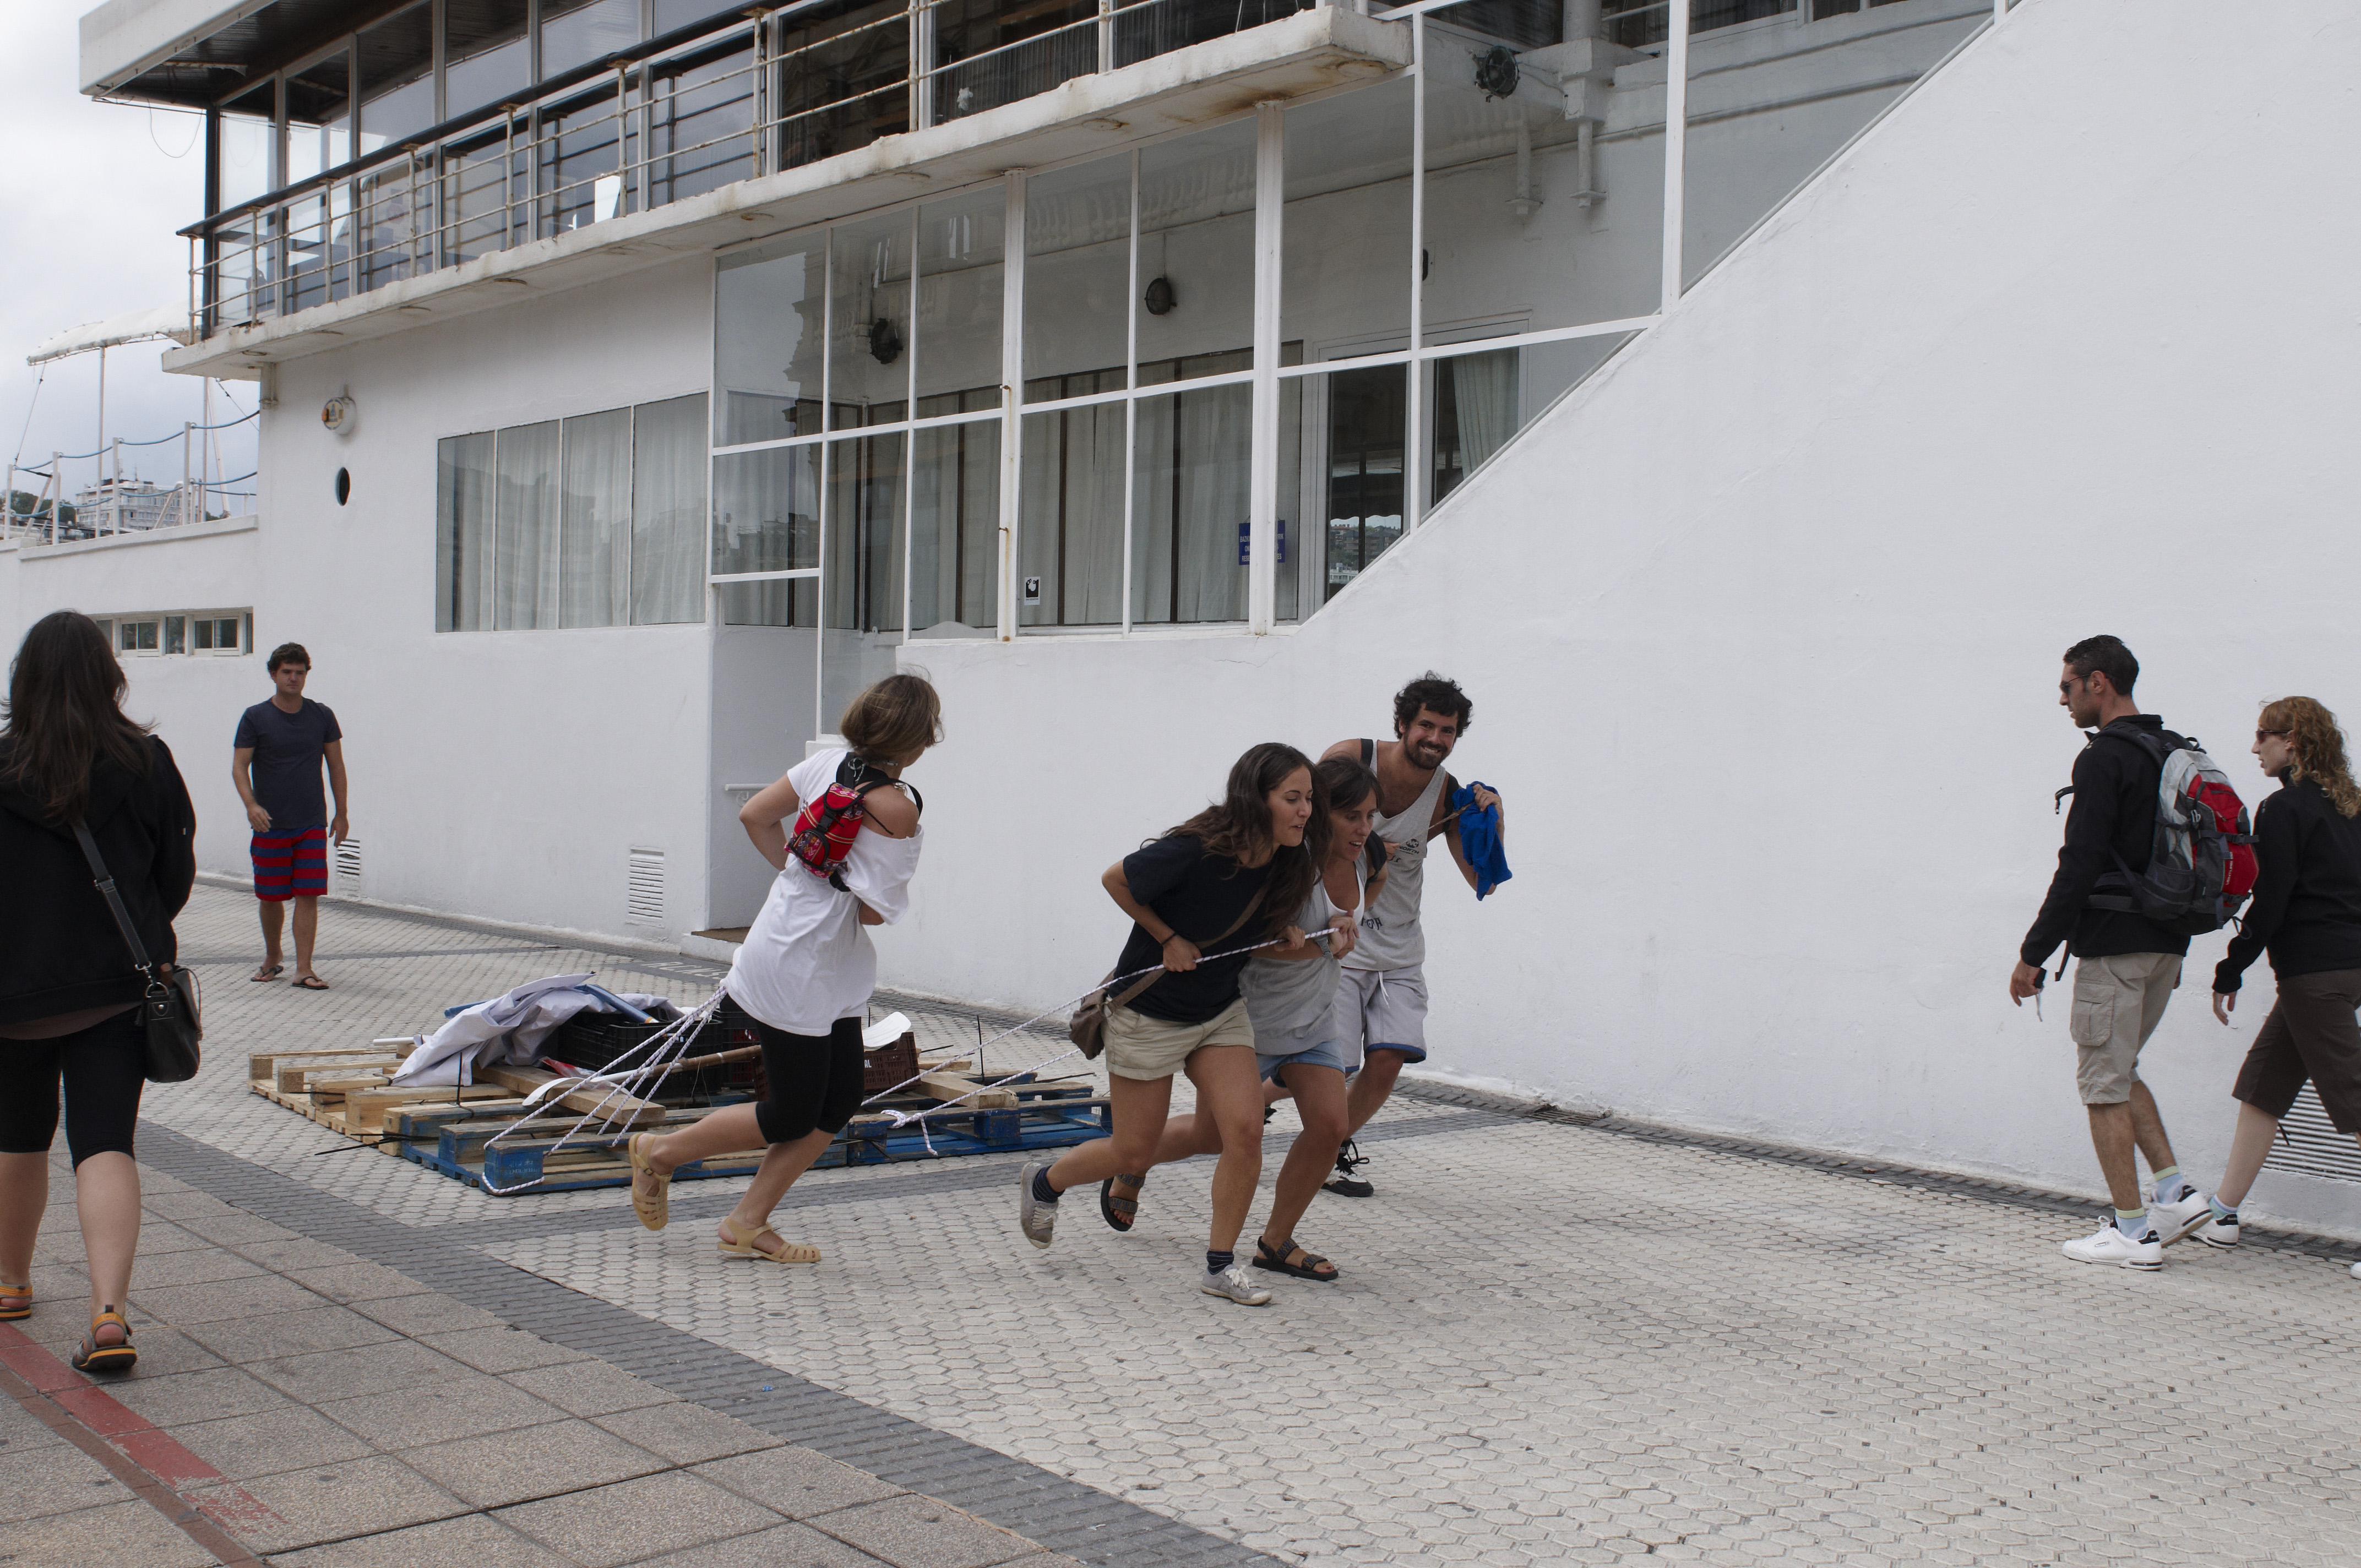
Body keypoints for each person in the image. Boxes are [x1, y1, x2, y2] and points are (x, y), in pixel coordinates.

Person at [627, 673, 937, 1262]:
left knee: (838, 1099)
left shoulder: (826, 764)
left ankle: (746, 1222)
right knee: (791, 1112)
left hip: (801, 951)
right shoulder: (897, 808)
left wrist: (802, 876)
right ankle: (658, 1153)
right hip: (802, 966)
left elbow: (755, 815)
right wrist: (838, 886)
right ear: (917, 740)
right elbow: (874, 911)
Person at [1018, 743, 1324, 1307]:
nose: (1305, 810)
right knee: (1133, 1152)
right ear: (1256, 799)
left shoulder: (1288, 859)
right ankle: (1045, 1181)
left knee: (1244, 1132)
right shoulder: (1198, 849)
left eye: (1308, 799)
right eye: (1292, 798)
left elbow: (1246, 936)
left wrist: (1288, 936)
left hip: (1219, 1012)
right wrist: (1167, 938)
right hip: (1148, 1014)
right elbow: (1115, 879)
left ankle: (1219, 1267)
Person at [0, 611, 195, 1373]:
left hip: (13, 996)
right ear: (107, 675)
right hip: (115, 990)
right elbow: (172, 875)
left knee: (17, 1138)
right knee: (105, 1142)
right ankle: (108, 1313)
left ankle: (11, 1282)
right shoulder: (146, 762)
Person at [2009, 635, 2217, 1270]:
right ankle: (2173, 1194)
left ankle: (2132, 1232)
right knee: (2121, 1069)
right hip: (2168, 943)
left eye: (2067, 687)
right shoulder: (2171, 748)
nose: (2063, 700)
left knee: (2101, 1084)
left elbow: (2080, 862)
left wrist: (2033, 952)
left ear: (2098, 682)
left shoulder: (2104, 758)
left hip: (2115, 945)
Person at [1318, 673, 1502, 1197]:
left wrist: (1496, 818)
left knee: (1387, 1062)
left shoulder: (1448, 795)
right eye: (1426, 725)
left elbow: (1483, 881)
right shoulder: (1352, 758)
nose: (1435, 739)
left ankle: (1328, 1150)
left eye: (1448, 731)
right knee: (1319, 1072)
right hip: (1338, 944)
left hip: (1399, 951)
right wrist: (1371, 851)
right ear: (1402, 724)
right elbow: (1303, 829)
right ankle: (1243, 1113)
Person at [2201, 697, 2361, 1261]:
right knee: (2263, 1086)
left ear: (2291, 740)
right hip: (2343, 968)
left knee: (2354, 1099)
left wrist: (2231, 968)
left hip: (2314, 975)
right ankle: (2222, 1213)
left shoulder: (2283, 808)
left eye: (2262, 736)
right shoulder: (2350, 806)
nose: (2254, 748)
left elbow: (2271, 900)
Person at [1234, 755, 1386, 1281]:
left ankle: (1275, 1243)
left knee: (1330, 1127)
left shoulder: (1368, 856)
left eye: (1371, 816)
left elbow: (1374, 886)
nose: (1364, 828)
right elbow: (1244, 943)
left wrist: (1345, 920)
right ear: (1324, 814)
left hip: (1316, 1018)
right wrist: (1317, 945)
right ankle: (1133, 1162)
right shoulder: (1289, 861)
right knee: (1211, 1135)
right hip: (1255, 1021)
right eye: (1352, 816)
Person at [232, 643, 348, 990]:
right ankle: (273, 957)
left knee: (308, 895)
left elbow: (337, 767)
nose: (293, 678)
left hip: (311, 821)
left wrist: (342, 813)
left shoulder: (322, 716)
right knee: (271, 897)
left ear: (306, 675)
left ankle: (304, 968)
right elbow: (240, 766)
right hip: (270, 824)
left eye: (300, 672)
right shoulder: (255, 717)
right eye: (286, 672)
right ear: (273, 674)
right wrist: (251, 805)